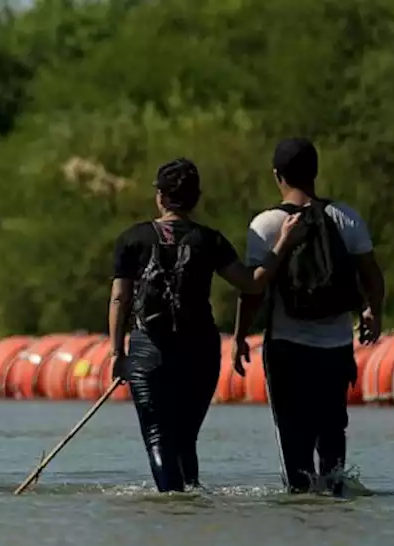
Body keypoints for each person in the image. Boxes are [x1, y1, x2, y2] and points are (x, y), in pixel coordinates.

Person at [110, 158, 300, 492]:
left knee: (158, 436)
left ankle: (171, 503)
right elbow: (252, 284)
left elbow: (119, 300)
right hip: (199, 351)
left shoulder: (132, 239)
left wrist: (116, 352)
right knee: (185, 437)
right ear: (196, 197)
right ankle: (191, 504)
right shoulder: (209, 241)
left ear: (160, 196)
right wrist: (283, 241)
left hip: (147, 351)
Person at [232, 138, 385, 495]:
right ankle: (335, 497)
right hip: (335, 346)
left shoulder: (268, 224)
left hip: (287, 347)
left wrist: (240, 336)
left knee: (293, 437)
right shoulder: (345, 217)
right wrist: (373, 312)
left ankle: (301, 507)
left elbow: (254, 289)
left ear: (277, 175)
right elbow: (372, 275)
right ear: (315, 172)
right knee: (332, 434)